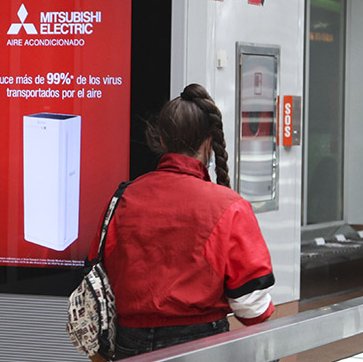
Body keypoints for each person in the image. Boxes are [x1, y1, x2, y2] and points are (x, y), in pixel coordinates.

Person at [91, 83, 275, 361]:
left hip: (128, 344)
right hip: (202, 345)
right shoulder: (229, 206)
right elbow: (252, 307)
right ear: (208, 142)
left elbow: (98, 270)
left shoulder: (123, 198)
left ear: (161, 140)